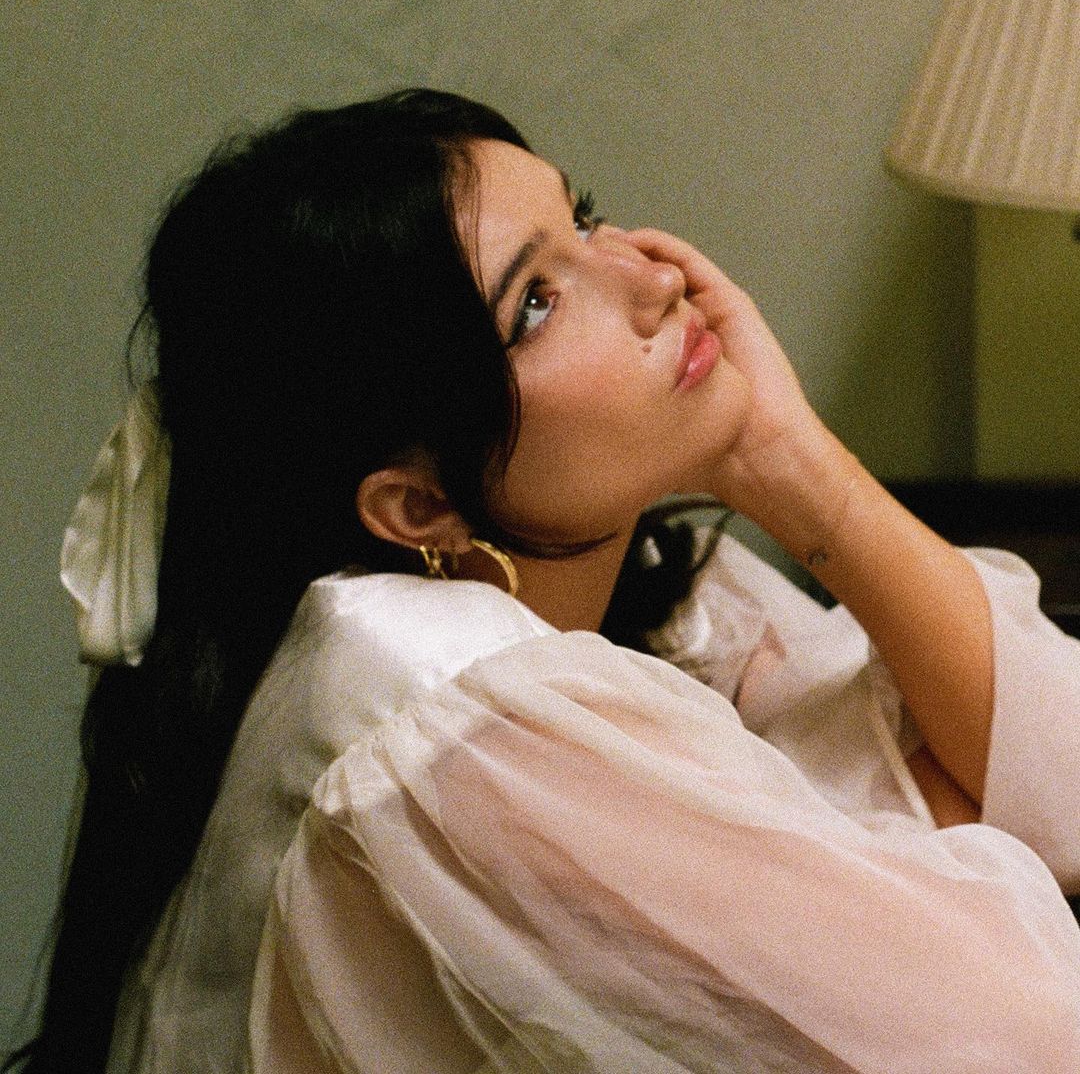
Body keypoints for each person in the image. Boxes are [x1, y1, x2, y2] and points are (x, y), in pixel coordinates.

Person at [9, 89, 1080, 1073]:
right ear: (419, 507)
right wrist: (935, 814)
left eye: (585, 219)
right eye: (535, 303)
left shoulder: (651, 593)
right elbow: (1026, 1032)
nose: (656, 278)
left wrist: (783, 456)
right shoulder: (446, 709)